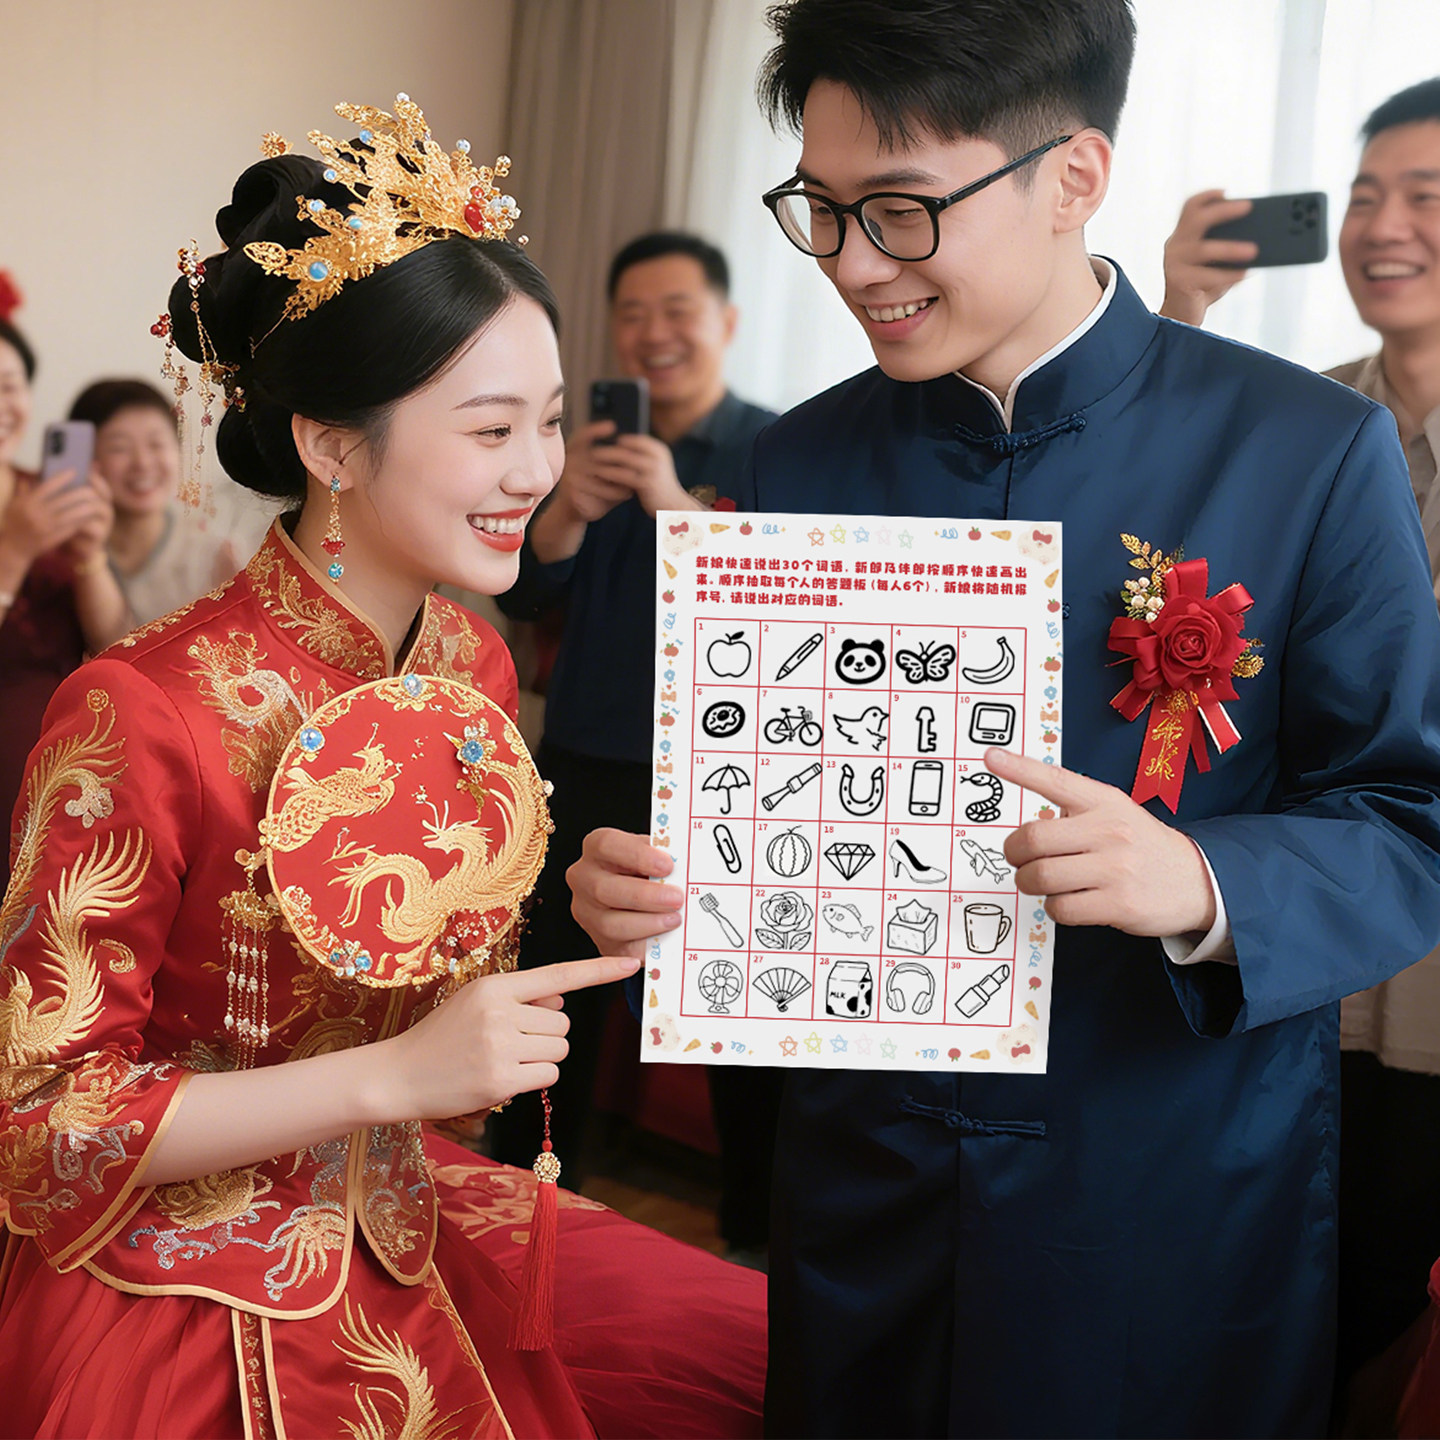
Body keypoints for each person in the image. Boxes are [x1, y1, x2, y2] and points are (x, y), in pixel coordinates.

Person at [567, 4, 1440, 1435]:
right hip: (867, 1181)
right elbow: (765, 806)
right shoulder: (797, 461)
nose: (855, 264)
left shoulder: (1303, 450)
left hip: (1165, 1182)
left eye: (904, 211)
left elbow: (1409, 820)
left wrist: (1203, 879)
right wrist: (658, 894)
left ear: (1075, 176)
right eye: (822, 208)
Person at [0, 99, 765, 1439]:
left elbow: (435, 977)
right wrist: (395, 1082)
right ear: (332, 445)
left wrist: (580, 916)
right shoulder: (142, 707)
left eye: (548, 423)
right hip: (180, 1272)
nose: (537, 472)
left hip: (400, 1214)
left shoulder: (470, 662)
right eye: (490, 431)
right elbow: (41, 1125)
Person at [1161, 77, 1440, 1399]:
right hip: (1300, 956)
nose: (1384, 226)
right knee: (1301, 1281)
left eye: (1425, 196)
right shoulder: (1305, 428)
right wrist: (1178, 317)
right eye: (1366, 195)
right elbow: (1145, 551)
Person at [493, 232, 782, 1258]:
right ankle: (518, 1211)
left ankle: (756, 1242)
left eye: (677, 311)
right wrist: (566, 509)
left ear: (726, 323)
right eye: (633, 314)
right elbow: (525, 592)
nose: (654, 333)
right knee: (552, 997)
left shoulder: (774, 446)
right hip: (587, 761)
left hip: (728, 778)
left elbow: (782, 606)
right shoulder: (580, 448)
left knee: (742, 1024)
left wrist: (675, 507)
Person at [0, 296, 130, 886]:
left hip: (60, 774)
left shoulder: (48, 493)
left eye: (10, 386)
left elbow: (114, 646)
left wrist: (90, 556)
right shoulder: (30, 519)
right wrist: (14, 550)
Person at [67, 377, 239, 625]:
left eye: (156, 444)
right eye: (119, 447)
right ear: (84, 459)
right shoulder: (60, 550)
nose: (143, 463)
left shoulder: (214, 558)